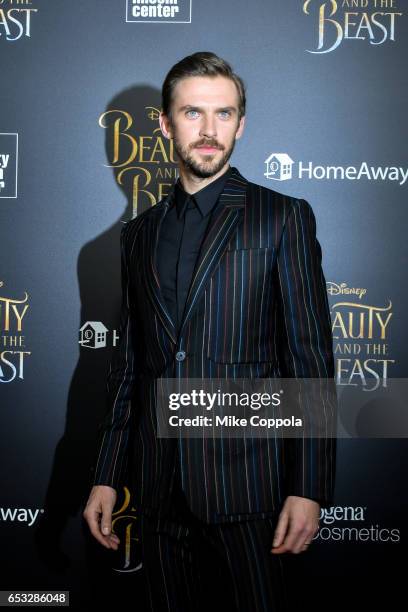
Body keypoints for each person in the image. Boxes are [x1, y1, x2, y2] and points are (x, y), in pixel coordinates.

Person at [83, 51, 336, 612]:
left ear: (241, 124)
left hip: (251, 492)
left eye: (224, 115)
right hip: (156, 492)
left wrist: (310, 485)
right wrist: (106, 476)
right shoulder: (138, 235)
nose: (209, 131)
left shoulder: (282, 217)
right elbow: (129, 367)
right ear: (166, 124)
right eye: (193, 114)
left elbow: (310, 358)